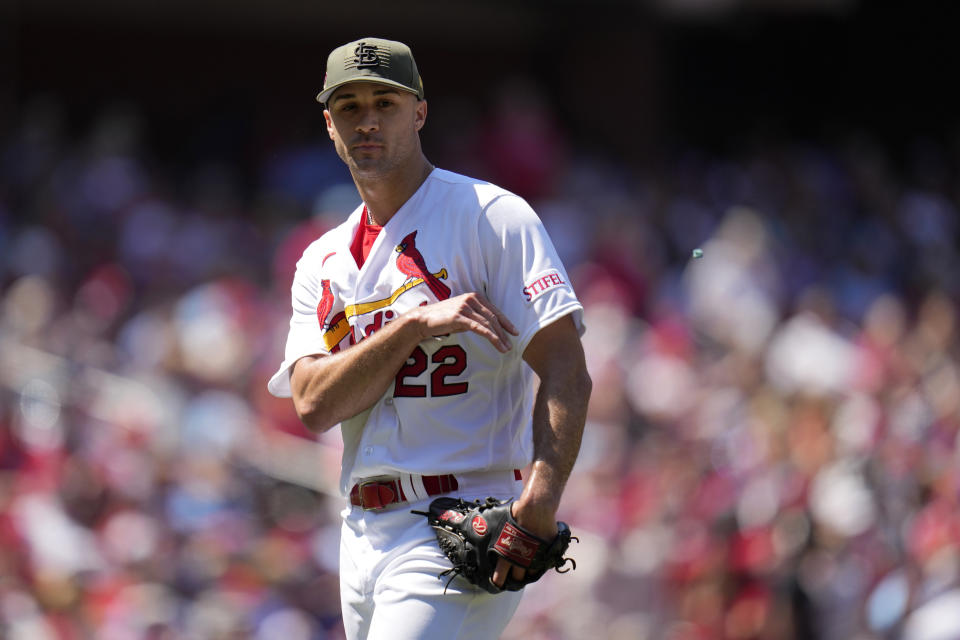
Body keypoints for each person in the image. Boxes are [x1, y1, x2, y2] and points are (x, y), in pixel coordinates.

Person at [268, 37, 591, 640]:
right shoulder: (321, 257)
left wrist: (541, 504)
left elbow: (567, 369)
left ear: (419, 112)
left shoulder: (491, 216)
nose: (367, 121)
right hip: (360, 530)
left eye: (384, 103)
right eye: (350, 107)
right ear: (330, 125)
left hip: (459, 514)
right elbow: (313, 404)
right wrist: (412, 325)